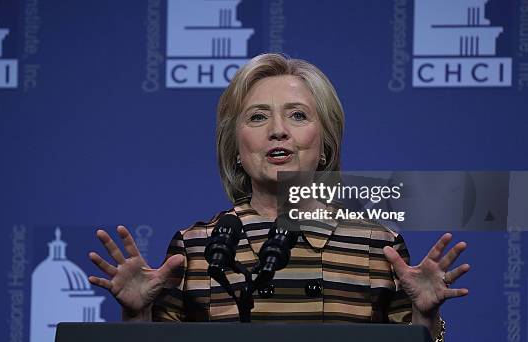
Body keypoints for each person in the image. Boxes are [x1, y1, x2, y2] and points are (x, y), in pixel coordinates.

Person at [88, 53, 469, 341]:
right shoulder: (198, 246)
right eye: (257, 117)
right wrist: (136, 316)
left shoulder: (376, 245)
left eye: (298, 116)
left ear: (325, 144)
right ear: (236, 146)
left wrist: (425, 317)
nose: (277, 131)